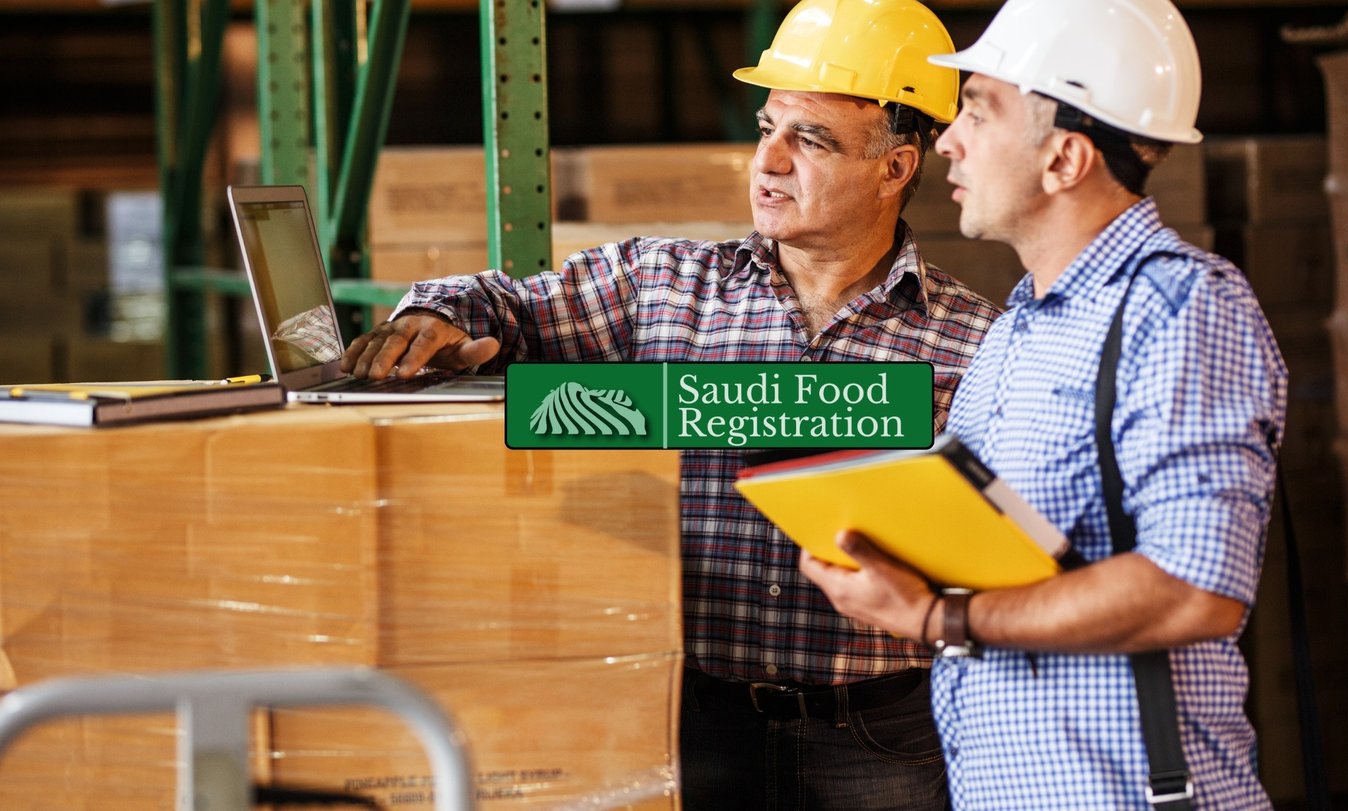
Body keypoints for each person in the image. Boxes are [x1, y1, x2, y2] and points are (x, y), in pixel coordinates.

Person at [340, 0, 1001, 806]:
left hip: (878, 731)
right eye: (767, 128)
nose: (769, 161)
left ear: (895, 168)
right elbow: (503, 303)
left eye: (811, 139)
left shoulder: (977, 342)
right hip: (688, 718)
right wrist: (435, 316)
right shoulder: (661, 285)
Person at [799, 0, 1288, 808]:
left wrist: (938, 618)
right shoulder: (1016, 329)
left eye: (980, 111)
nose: (947, 140)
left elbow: (1194, 586)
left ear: (1064, 158)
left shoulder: (1180, 308)